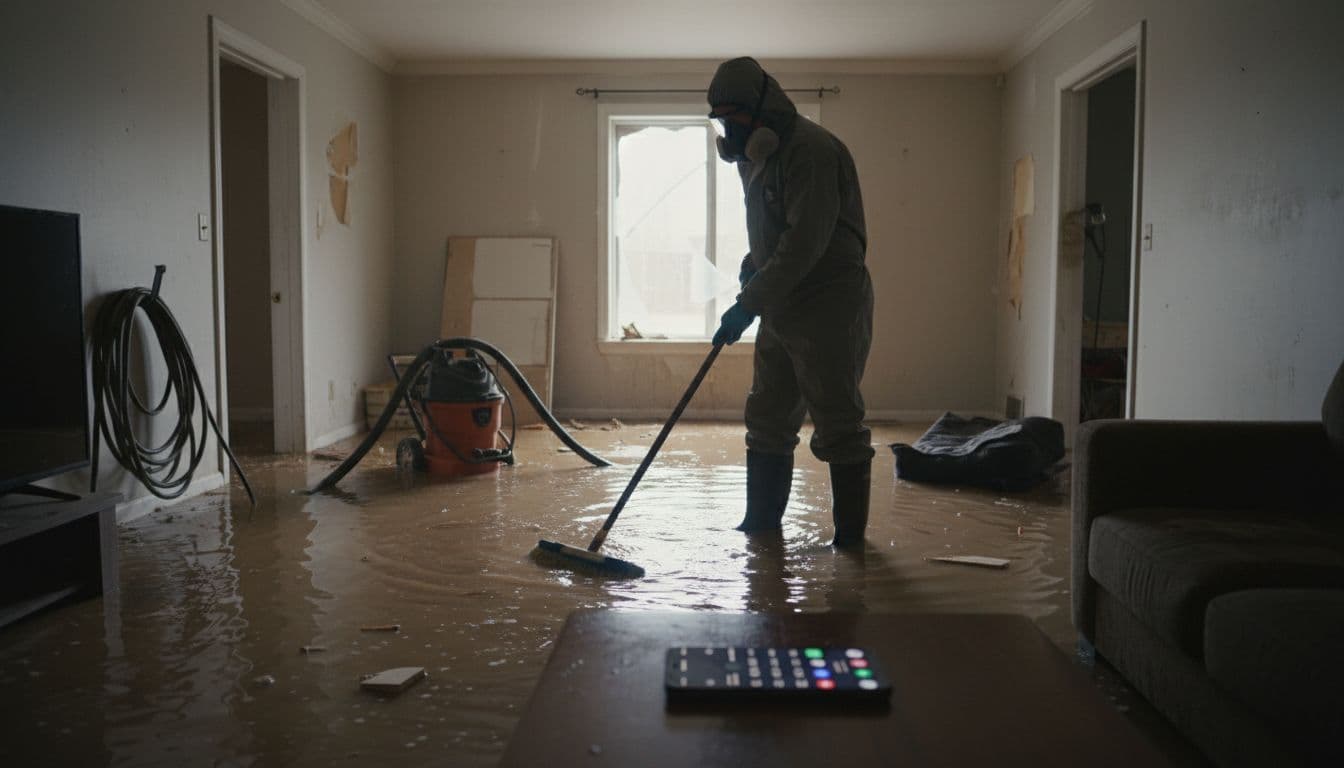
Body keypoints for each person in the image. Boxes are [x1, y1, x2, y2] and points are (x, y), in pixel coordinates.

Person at [706, 57, 875, 548]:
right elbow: (776, 235)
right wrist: (752, 264)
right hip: (780, 300)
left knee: (838, 420)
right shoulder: (755, 158)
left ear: (762, 109)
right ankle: (760, 525)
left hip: (828, 302)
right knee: (767, 416)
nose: (727, 132)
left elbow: (805, 243)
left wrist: (747, 303)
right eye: (719, 121)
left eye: (732, 119)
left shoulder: (811, 152)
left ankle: (849, 544)